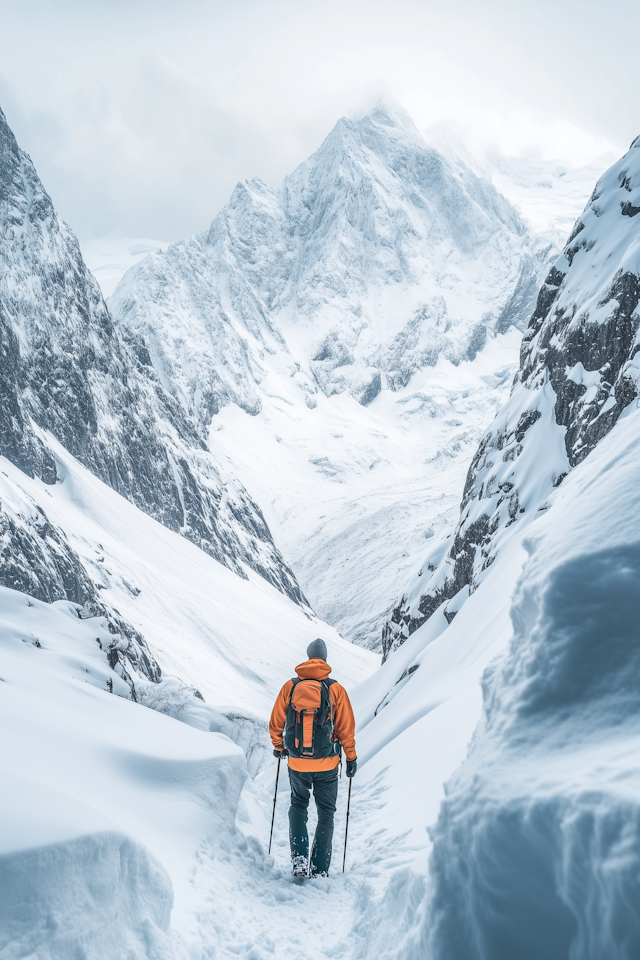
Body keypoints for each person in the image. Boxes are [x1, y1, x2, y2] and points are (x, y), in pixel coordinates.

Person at [269, 638, 357, 877]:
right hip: (328, 763)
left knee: (298, 805)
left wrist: (280, 747)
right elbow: (345, 729)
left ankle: (299, 860)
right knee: (326, 814)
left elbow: (276, 722)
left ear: (308, 658)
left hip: (297, 762)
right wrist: (351, 758)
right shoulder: (335, 689)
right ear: (325, 660)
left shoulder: (290, 686)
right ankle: (319, 869)